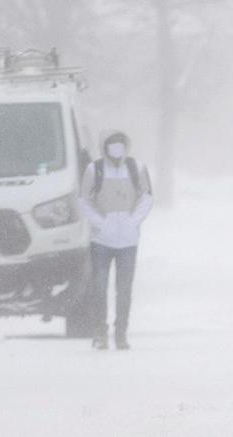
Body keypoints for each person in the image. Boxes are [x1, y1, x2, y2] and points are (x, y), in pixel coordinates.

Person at [79, 130, 153, 350]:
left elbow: (146, 197)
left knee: (124, 289)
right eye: (112, 144)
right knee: (99, 287)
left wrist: (133, 221)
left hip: (128, 241)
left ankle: (121, 333)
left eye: (120, 144)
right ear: (105, 147)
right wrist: (100, 223)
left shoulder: (136, 168)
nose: (116, 148)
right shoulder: (95, 169)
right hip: (101, 241)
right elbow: (84, 199)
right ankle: (100, 332)